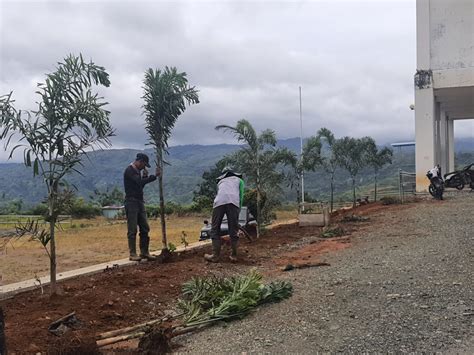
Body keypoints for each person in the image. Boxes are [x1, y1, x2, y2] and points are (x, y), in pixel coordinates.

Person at [124, 153, 160, 261]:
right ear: (139, 161)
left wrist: (145, 177)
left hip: (139, 201)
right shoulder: (129, 170)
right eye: (144, 165)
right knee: (132, 228)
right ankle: (133, 253)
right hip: (131, 202)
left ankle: (144, 252)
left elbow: (139, 185)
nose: (144, 167)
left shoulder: (137, 172)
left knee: (145, 227)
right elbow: (139, 182)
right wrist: (153, 177)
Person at [204, 167, 245, 263]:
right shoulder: (239, 180)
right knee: (233, 230)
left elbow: (219, 194)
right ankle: (234, 256)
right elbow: (241, 195)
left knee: (214, 228)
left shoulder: (220, 182)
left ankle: (215, 256)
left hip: (219, 203)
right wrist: (238, 210)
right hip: (233, 202)